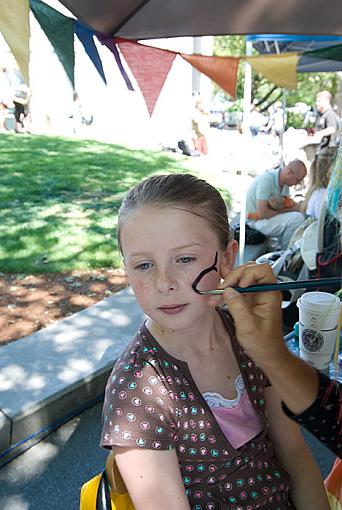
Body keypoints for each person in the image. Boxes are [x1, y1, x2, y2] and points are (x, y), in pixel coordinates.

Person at [100, 173, 329, 509]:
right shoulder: (137, 392)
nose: (164, 283)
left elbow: (294, 453)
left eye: (185, 259)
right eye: (144, 265)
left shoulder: (248, 335)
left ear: (226, 258)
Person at [246, 159, 307, 249]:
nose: (297, 184)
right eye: (298, 180)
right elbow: (263, 213)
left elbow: (283, 207)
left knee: (301, 217)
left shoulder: (284, 184)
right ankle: (285, 252)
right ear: (289, 173)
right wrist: (292, 209)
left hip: (265, 219)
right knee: (297, 219)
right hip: (254, 222)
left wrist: (295, 207)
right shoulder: (266, 181)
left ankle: (286, 249)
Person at [314, 90, 341, 169]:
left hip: (328, 151)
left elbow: (332, 129)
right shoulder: (322, 115)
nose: (317, 103)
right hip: (323, 150)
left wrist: (319, 134)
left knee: (322, 179)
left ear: (327, 101)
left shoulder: (330, 114)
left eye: (319, 101)